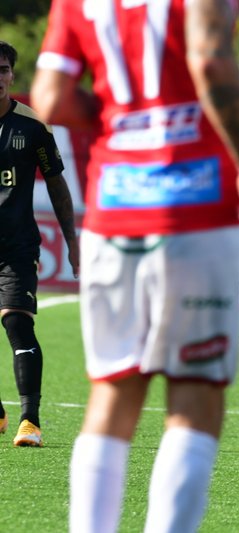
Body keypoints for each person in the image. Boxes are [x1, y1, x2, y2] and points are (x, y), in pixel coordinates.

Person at [31, 0, 239, 531]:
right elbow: (209, 61)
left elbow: (49, 97)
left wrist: (118, 117)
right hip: (196, 210)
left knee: (113, 392)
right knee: (194, 396)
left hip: (113, 210)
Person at [0, 41, 79, 447]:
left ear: (12, 74)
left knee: (17, 323)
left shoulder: (32, 126)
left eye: (2, 69)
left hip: (16, 247)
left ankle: (29, 420)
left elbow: (58, 185)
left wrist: (72, 241)